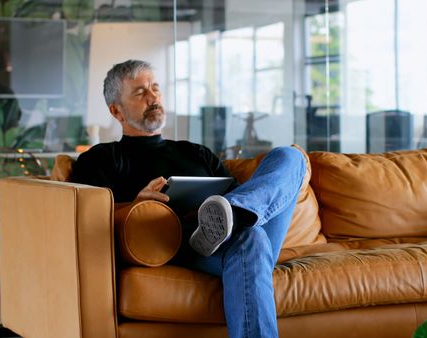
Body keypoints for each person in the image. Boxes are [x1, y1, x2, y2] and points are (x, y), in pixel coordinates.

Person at [71, 59, 305, 338]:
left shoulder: (196, 152)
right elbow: (83, 218)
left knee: (290, 157)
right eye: (140, 92)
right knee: (251, 239)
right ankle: (233, 220)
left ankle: (235, 215)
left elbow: (247, 190)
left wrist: (233, 205)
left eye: (155, 88)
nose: (153, 97)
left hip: (231, 238)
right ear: (116, 111)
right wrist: (137, 205)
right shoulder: (101, 159)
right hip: (179, 247)